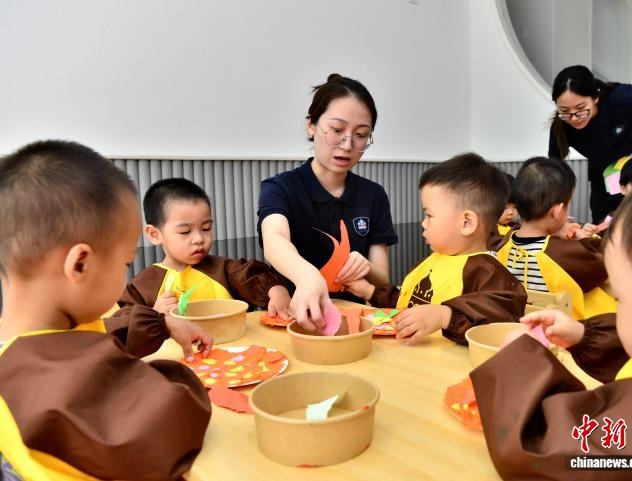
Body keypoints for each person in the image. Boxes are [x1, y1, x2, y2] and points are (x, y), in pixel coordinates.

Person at [471, 153, 632, 480]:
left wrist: (517, 363)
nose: (618, 307)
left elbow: (542, 451)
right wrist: (583, 335)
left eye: (620, 299)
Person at [0, 140, 211, 480]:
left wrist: (163, 323)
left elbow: (105, 334)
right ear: (80, 265)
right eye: (125, 263)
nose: (127, 273)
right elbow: (169, 426)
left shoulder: (29, 342)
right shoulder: (46, 382)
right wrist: (181, 379)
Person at [257, 74, 398, 331]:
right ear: (311, 126)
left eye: (361, 135)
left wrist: (366, 266)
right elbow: (274, 239)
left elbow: (382, 279)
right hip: (295, 319)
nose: (348, 145)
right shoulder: (280, 188)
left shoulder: (374, 195)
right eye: (337, 130)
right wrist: (307, 277)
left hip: (355, 322)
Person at [344, 153, 527, 345]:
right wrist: (369, 291)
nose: (423, 223)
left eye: (429, 215)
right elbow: (408, 303)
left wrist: (445, 316)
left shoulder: (487, 273)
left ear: (466, 223)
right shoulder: (432, 261)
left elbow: (504, 316)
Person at [115, 178, 292, 348]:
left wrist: (275, 289)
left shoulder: (223, 269)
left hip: (233, 354)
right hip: (180, 361)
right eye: (185, 232)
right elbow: (122, 328)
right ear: (155, 234)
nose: (199, 238)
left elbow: (252, 276)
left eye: (206, 228)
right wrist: (155, 316)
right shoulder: (144, 285)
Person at [496, 157, 615, 320]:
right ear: (557, 211)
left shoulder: (505, 241)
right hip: (563, 325)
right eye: (569, 204)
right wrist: (584, 240)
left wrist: (553, 233)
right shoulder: (561, 253)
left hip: (518, 319)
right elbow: (606, 263)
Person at [548, 65, 632, 223]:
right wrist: (558, 210)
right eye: (564, 111)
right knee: (604, 224)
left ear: (595, 97)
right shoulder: (561, 126)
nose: (574, 118)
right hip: (607, 175)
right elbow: (554, 168)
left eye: (581, 108)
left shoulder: (620, 98)